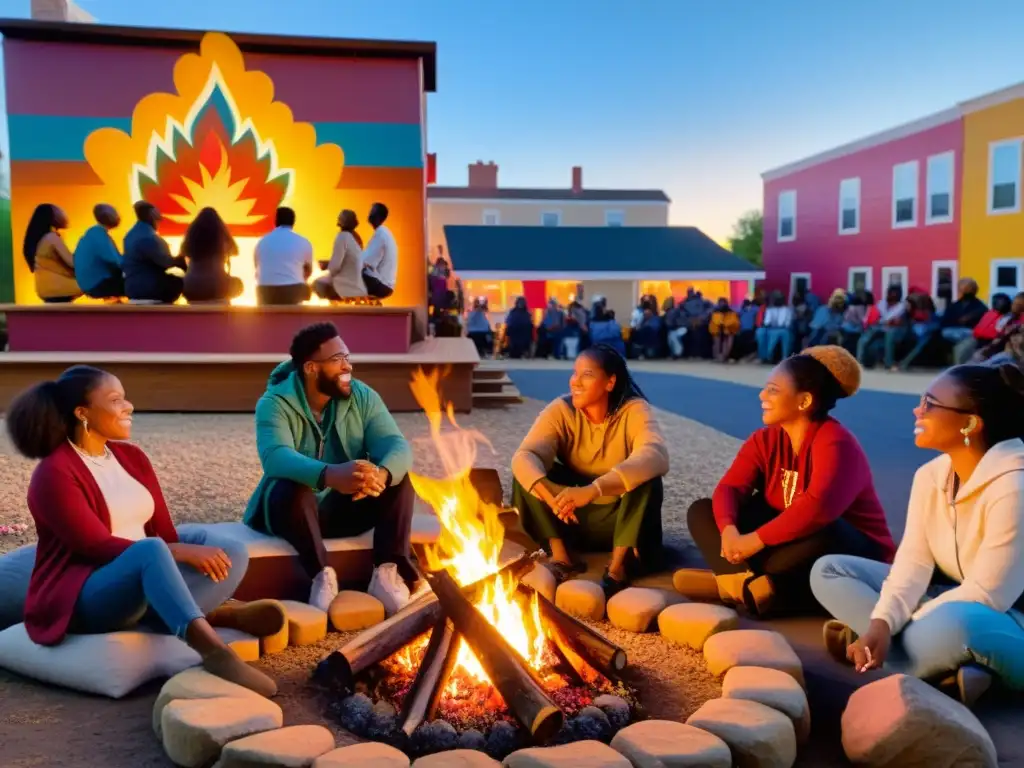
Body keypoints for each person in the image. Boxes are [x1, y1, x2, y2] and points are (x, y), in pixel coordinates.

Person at [5, 366, 280, 696]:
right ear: (83, 413)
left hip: (142, 578)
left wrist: (177, 551)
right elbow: (94, 546)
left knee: (232, 551)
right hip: (87, 594)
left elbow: (164, 532)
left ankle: (205, 614)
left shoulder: (131, 457)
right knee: (151, 550)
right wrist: (175, 552)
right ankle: (214, 651)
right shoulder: (53, 473)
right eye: (116, 400)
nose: (129, 406)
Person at [811, 364, 1024, 708]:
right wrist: (881, 623)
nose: (917, 409)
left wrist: (900, 619)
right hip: (951, 597)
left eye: (930, 403)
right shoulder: (931, 475)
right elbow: (912, 562)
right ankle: (946, 669)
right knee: (829, 570)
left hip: (1003, 617)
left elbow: (990, 594)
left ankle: (896, 653)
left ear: (970, 422)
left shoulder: (1016, 485)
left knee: (955, 627)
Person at [677, 346, 895, 617]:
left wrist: (754, 541)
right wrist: (729, 530)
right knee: (702, 510)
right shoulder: (765, 438)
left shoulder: (836, 443)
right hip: (784, 543)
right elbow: (731, 487)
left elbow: (817, 509)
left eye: (773, 390)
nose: (762, 395)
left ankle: (737, 583)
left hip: (847, 549)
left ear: (804, 402)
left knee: (824, 533)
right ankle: (751, 586)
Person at [243, 323, 417, 615]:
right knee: (289, 485)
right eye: (337, 360)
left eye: (347, 357)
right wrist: (330, 475)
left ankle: (387, 572)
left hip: (343, 511)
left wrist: (381, 474)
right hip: (289, 514)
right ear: (311, 368)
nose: (347, 367)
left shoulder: (363, 396)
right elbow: (274, 456)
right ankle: (321, 575)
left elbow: (394, 443)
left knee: (399, 478)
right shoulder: (274, 402)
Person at [511, 344, 669, 596]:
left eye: (587, 374)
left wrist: (594, 490)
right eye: (575, 373)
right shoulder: (561, 409)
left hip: (620, 520)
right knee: (528, 474)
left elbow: (656, 455)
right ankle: (562, 558)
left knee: (647, 479)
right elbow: (524, 455)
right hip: (570, 518)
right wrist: (551, 494)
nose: (576, 382)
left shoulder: (633, 410)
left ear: (610, 382)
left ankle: (618, 567)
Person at [123, 202, 187, 304]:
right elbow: (165, 262)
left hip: (131, 288)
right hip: (148, 288)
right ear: (152, 216)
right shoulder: (148, 237)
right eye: (158, 220)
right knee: (178, 282)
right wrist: (181, 258)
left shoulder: (130, 235)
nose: (158, 223)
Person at [181, 208, 244, 303]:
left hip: (191, 287)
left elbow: (184, 251)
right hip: (217, 286)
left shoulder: (191, 236)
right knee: (238, 285)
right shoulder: (222, 236)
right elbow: (234, 251)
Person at [23, 204, 81, 303]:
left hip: (44, 290)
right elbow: (72, 262)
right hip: (59, 288)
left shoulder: (40, 239)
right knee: (95, 281)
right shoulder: (52, 237)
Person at [254, 207, 313, 305]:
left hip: (265, 292)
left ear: (275, 221)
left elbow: (257, 270)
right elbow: (308, 271)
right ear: (293, 222)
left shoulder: (262, 242)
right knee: (306, 288)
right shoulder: (303, 241)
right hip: (292, 292)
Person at [74, 204, 125, 300]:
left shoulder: (92, 233)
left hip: (88, 283)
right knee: (140, 284)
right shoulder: (99, 235)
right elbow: (115, 261)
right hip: (97, 284)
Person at [314, 210, 366, 301]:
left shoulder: (342, 237)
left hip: (346, 281)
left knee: (317, 284)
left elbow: (335, 268)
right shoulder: (356, 237)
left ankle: (335, 308)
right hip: (357, 278)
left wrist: (326, 265)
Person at [952, 292, 1013, 365]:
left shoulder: (1010, 316)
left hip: (993, 342)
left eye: (1002, 302)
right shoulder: (990, 313)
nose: (999, 304)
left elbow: (1000, 334)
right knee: (960, 349)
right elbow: (979, 328)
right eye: (997, 301)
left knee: (977, 356)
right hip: (978, 338)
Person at [856, 285, 905, 368]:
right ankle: (859, 360)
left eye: (895, 294)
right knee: (864, 338)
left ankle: (888, 363)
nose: (892, 296)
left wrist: (888, 322)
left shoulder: (901, 307)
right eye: (891, 293)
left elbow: (897, 322)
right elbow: (876, 317)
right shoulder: (881, 303)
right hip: (879, 326)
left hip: (893, 329)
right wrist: (881, 321)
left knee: (889, 336)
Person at [361, 202, 397, 299]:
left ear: (377, 216)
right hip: (385, 283)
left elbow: (366, 261)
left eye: (371, 212)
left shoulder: (381, 234)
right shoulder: (384, 232)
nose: (369, 215)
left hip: (381, 283)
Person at [757, 290, 794, 362]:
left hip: (783, 329)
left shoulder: (786, 310)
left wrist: (776, 326)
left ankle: (784, 356)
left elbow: (787, 323)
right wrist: (766, 325)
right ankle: (764, 356)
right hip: (771, 328)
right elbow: (767, 322)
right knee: (760, 332)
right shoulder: (770, 309)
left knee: (784, 333)